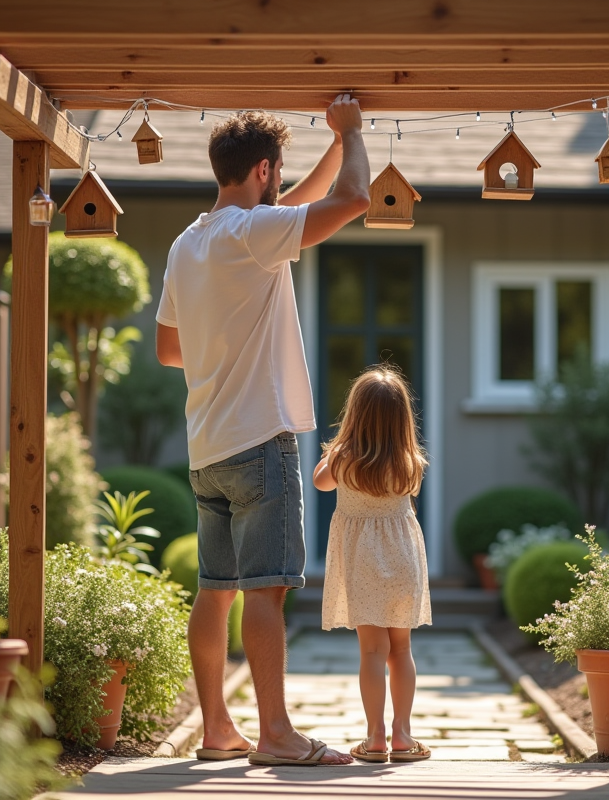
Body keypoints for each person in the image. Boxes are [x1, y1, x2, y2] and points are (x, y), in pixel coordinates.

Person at [155, 94, 369, 767]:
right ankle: (275, 734)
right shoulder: (253, 236)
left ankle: (217, 729)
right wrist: (353, 133)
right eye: (279, 172)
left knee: (215, 589)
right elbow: (354, 199)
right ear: (264, 170)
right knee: (266, 589)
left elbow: (168, 349)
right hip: (259, 442)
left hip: (206, 448)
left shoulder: (190, 243)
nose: (282, 183)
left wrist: (332, 145)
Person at [312, 365, 433, 764]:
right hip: (403, 562)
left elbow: (319, 481)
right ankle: (403, 734)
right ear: (402, 420)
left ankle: (375, 736)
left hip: (362, 563)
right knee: (402, 648)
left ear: (355, 415)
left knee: (372, 652)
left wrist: (336, 448)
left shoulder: (343, 461)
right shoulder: (410, 462)